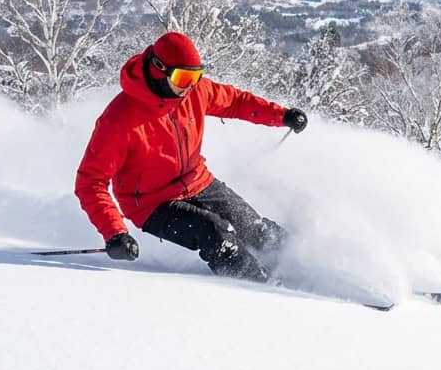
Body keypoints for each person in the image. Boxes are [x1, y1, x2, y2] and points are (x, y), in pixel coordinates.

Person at [75, 31, 309, 282]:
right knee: (216, 233)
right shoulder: (120, 120)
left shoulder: (194, 91)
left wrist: (281, 115)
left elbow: (236, 102)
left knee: (252, 226)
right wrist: (115, 233)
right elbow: (90, 182)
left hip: (198, 180)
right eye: (183, 77)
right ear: (158, 69)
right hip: (151, 204)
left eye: (196, 77)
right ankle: (263, 287)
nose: (189, 85)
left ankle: (305, 264)